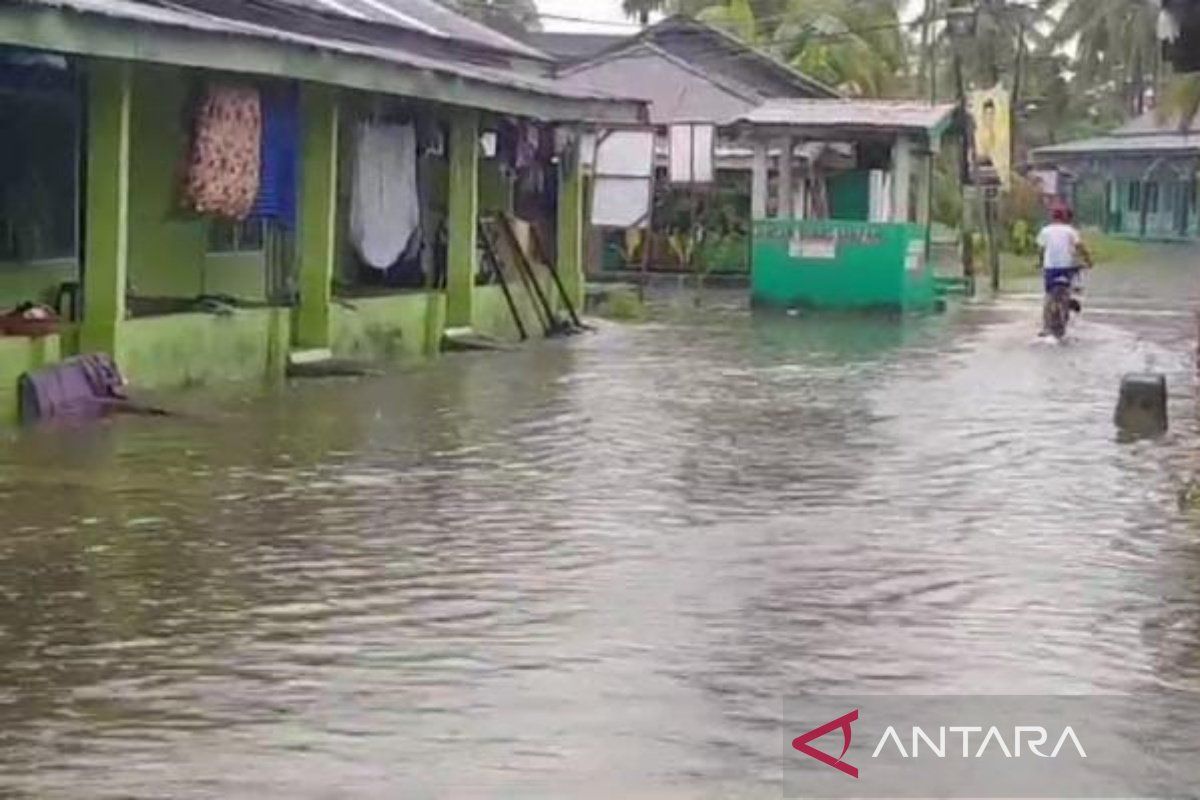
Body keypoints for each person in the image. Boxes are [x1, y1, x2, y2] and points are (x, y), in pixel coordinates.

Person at [1037, 205, 1093, 331]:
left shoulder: (1045, 231)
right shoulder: (1070, 231)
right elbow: (1081, 248)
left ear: (1052, 217)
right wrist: (1088, 261)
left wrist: (1040, 263)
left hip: (1050, 268)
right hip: (1067, 268)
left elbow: (1041, 250)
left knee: (1048, 295)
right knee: (1069, 288)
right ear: (1066, 217)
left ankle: (1046, 326)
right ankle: (1068, 304)